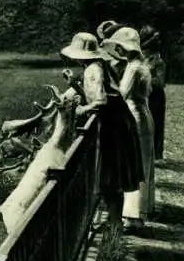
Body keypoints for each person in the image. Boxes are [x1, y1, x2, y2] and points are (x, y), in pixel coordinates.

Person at [60, 32, 145, 228]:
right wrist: (73, 83)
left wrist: (81, 109)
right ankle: (113, 223)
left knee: (110, 177)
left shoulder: (93, 70)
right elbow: (99, 95)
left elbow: (100, 101)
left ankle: (114, 225)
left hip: (114, 126)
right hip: (120, 122)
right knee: (112, 177)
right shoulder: (100, 66)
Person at [102, 27, 155, 230]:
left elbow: (122, 95)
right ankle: (139, 212)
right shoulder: (141, 65)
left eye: (120, 46)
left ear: (126, 48)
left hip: (135, 117)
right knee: (143, 161)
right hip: (144, 114)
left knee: (135, 164)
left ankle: (133, 216)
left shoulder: (132, 68)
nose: (118, 50)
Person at [140, 25, 167, 162]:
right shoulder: (139, 58)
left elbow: (160, 82)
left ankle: (156, 154)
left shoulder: (158, 61)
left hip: (155, 96)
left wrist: (146, 76)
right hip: (142, 94)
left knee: (156, 122)